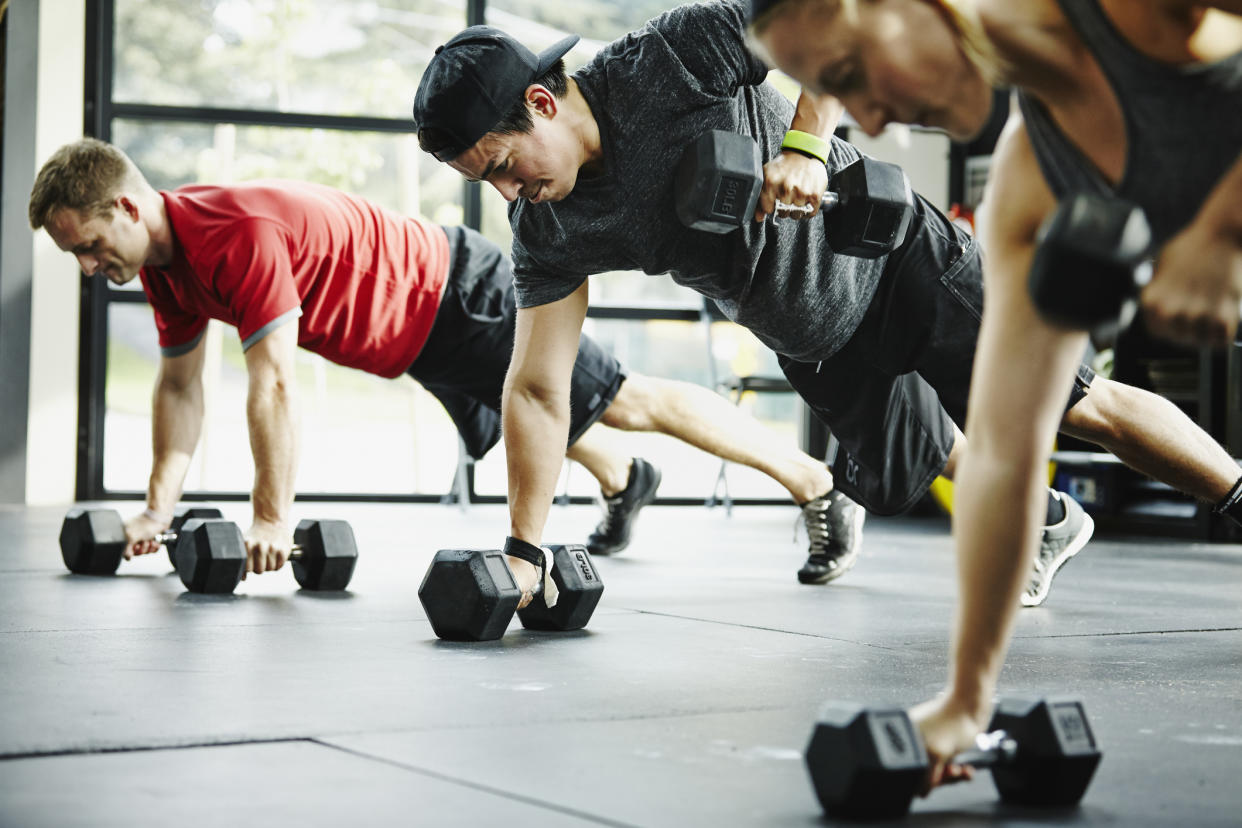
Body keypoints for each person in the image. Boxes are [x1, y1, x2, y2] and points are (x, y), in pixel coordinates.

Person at [411, 0, 1238, 618]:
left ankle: (1235, 493)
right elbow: (536, 388)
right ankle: (1050, 522)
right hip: (810, 336)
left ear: (544, 104)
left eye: (504, 165)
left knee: (1076, 407)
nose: (508, 191)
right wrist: (524, 549)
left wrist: (806, 142)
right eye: (486, 182)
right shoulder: (549, 228)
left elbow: (824, 18)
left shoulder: (667, 59)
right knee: (907, 471)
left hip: (899, 265)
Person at [747, 0, 1242, 794]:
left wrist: (1221, 229)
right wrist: (965, 700)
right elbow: (1006, 452)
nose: (868, 121)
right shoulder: (1031, 177)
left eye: (847, 78)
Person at [28, 137, 849, 576]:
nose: (93, 269)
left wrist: (272, 516)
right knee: (551, 419)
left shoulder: (233, 237)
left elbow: (273, 383)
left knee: (623, 398)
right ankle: (622, 477)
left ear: (129, 205)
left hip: (457, 293)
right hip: (417, 339)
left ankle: (815, 483)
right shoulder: (165, 267)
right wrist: (156, 510)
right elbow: (178, 389)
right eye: (79, 258)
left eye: (93, 246)